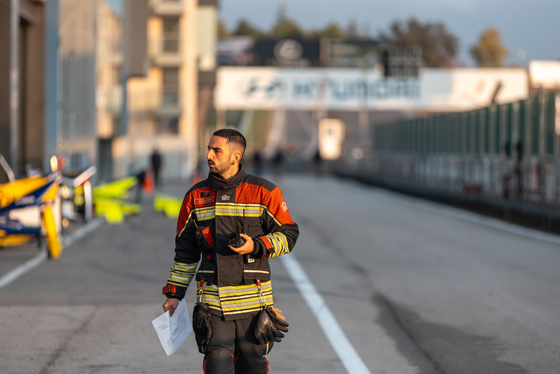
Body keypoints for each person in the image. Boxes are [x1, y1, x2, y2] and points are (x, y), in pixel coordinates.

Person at [162, 129, 299, 374]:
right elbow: (185, 252)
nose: (208, 155)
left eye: (216, 150)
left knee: (252, 366)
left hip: (254, 302)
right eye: (208, 149)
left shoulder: (264, 192)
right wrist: (175, 293)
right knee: (216, 365)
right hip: (212, 302)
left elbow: (289, 235)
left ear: (235, 157)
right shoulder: (194, 196)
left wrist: (256, 246)